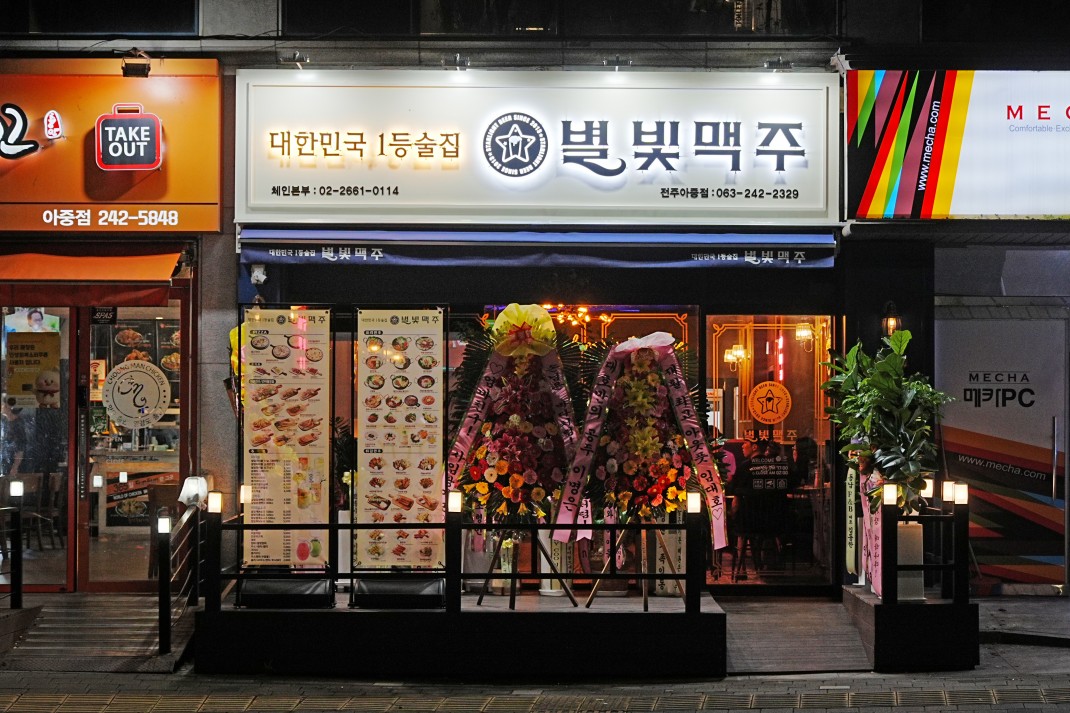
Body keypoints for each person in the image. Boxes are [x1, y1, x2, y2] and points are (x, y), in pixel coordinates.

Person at [1, 396, 27, 476]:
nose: (2, 407)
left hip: (13, 465)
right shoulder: (5, 421)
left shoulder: (18, 424)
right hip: (5, 461)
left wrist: (15, 467)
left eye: (4, 405)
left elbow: (20, 449)